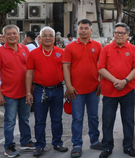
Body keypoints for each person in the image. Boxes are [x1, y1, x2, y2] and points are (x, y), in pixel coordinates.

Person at [98, 23, 135, 158]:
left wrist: (125, 81)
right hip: (109, 91)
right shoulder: (106, 49)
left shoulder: (133, 49)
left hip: (127, 90)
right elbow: (101, 68)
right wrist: (115, 81)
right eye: (117, 32)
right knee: (107, 120)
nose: (119, 35)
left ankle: (128, 146)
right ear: (113, 34)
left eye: (122, 33)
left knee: (128, 120)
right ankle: (107, 147)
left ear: (128, 35)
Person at [25, 27, 68, 156]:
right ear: (40, 37)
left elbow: (67, 72)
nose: (48, 38)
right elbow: (29, 74)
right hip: (39, 90)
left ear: (54, 38)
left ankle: (57, 142)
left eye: (50, 35)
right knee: (39, 120)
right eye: (45, 35)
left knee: (57, 119)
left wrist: (69, 88)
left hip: (57, 90)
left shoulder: (61, 52)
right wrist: (28, 92)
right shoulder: (33, 53)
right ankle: (40, 145)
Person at [63, 19, 103, 157]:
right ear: (77, 30)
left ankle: (95, 141)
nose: (83, 30)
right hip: (76, 90)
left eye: (86, 28)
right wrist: (68, 86)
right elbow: (66, 67)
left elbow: (102, 66)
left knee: (93, 117)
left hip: (93, 88)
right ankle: (77, 144)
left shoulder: (98, 46)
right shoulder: (70, 47)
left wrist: (100, 82)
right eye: (81, 28)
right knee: (77, 118)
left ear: (91, 30)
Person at [0, 25, 35, 158]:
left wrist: (30, 89)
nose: (12, 36)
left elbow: (30, 70)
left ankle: (25, 141)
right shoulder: (1, 51)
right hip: (8, 93)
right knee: (9, 121)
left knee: (25, 118)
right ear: (4, 36)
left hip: (25, 92)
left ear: (19, 35)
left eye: (14, 33)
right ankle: (9, 146)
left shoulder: (25, 49)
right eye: (8, 34)